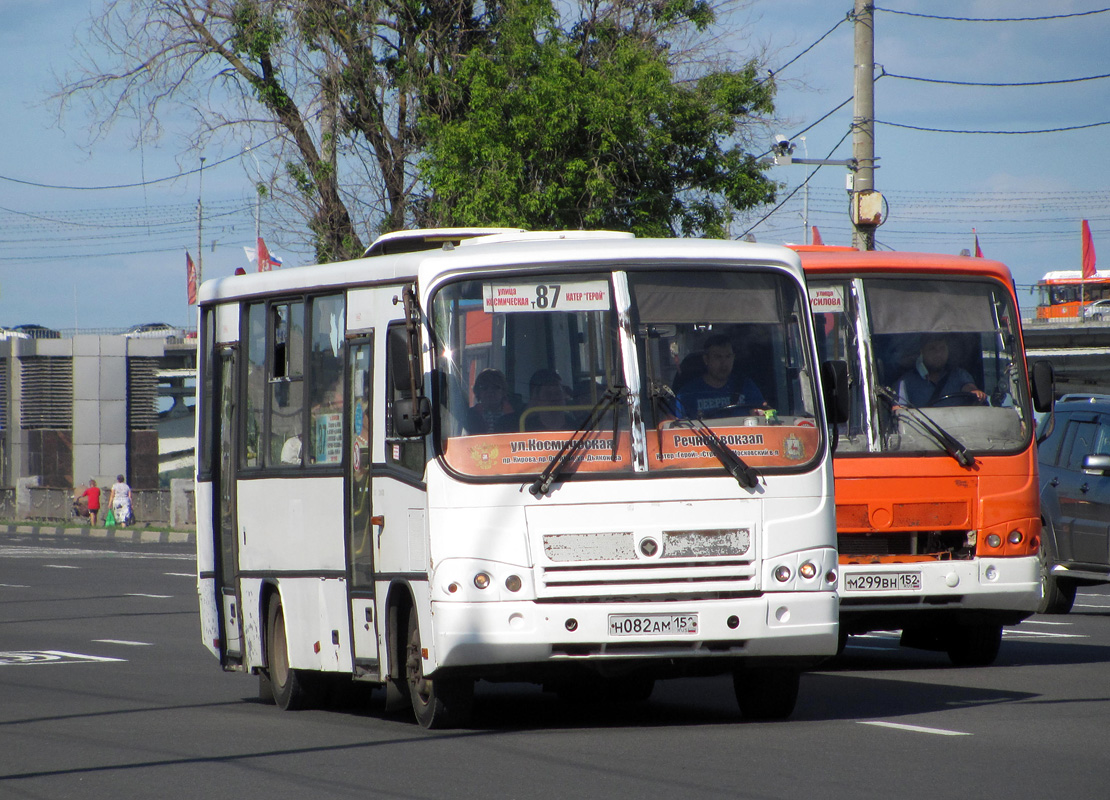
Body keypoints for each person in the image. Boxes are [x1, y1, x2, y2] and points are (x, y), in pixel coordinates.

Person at [675, 334, 765, 418]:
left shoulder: (746, 387)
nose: (724, 363)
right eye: (718, 357)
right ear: (706, 359)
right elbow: (671, 424)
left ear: (734, 357)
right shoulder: (687, 393)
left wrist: (759, 413)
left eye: (728, 356)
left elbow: (763, 414)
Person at [894, 333, 987, 407]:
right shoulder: (906, 382)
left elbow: (970, 389)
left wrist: (975, 393)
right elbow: (899, 410)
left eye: (942, 348)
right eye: (932, 349)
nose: (938, 354)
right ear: (922, 352)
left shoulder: (959, 375)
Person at [466, 368, 517, 434]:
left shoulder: (515, 416)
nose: (490, 391)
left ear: (503, 390)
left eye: (495, 387)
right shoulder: (470, 415)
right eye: (485, 387)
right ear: (478, 391)